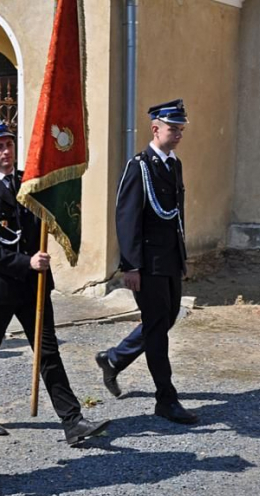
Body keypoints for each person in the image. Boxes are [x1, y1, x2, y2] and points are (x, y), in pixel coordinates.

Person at [0, 116, 109, 444]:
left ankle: (72, 421)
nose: (6, 151)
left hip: (34, 286)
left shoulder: (29, 185)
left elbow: (43, 221)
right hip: (0, 285)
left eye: (10, 144)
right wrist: (25, 261)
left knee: (48, 352)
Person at [95, 99, 198, 424]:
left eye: (181, 128)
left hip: (168, 260)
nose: (178, 133)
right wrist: (131, 266)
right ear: (156, 128)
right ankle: (165, 399)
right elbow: (126, 219)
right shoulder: (139, 166)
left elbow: (175, 216)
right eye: (173, 128)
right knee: (158, 329)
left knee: (165, 320)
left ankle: (113, 359)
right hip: (147, 264)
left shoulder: (173, 164)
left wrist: (181, 258)